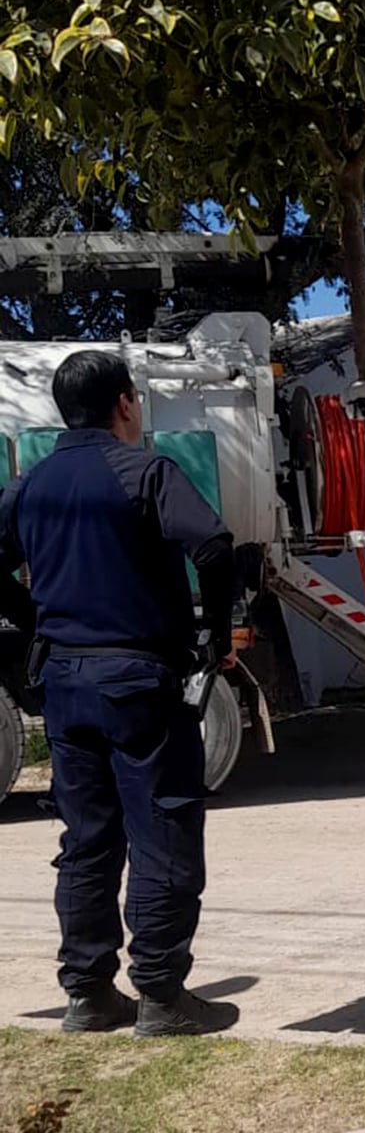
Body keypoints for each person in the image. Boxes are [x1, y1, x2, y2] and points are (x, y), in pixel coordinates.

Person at [0, 350, 238, 1037]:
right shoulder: (146, 472)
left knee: (88, 840)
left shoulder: (31, 485)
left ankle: (88, 994)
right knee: (161, 831)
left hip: (64, 685)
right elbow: (215, 547)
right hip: (139, 682)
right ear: (126, 405)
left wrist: (33, 614)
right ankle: (162, 995)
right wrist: (215, 634)